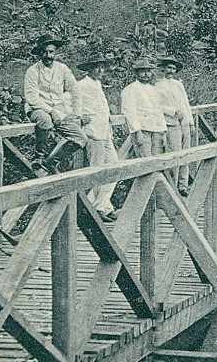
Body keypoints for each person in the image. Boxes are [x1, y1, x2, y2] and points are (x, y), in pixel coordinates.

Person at [23, 33, 88, 175]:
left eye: (51, 52)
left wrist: (77, 114)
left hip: (60, 111)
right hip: (38, 108)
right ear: (39, 53)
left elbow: (75, 90)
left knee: (80, 138)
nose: (48, 55)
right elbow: (31, 97)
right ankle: (38, 157)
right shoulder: (32, 71)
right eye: (44, 52)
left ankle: (52, 161)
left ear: (55, 53)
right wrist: (51, 111)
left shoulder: (62, 69)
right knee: (45, 120)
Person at [74, 52, 119, 222]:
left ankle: (98, 204)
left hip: (105, 132)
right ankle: (99, 208)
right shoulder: (81, 85)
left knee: (115, 166)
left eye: (101, 67)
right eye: (96, 67)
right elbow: (68, 102)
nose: (100, 70)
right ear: (88, 69)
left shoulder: (97, 84)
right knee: (98, 170)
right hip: (93, 133)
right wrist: (79, 117)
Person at [156, 56, 194, 197]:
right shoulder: (158, 85)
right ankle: (172, 186)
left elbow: (185, 103)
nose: (171, 71)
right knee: (175, 153)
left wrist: (191, 123)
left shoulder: (179, 84)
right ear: (164, 69)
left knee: (186, 153)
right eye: (168, 68)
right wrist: (172, 111)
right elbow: (157, 105)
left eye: (173, 68)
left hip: (184, 123)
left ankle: (183, 185)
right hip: (171, 122)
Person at [121, 57, 167, 159]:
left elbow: (158, 111)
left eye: (148, 71)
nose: (146, 74)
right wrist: (137, 131)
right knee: (145, 161)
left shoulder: (153, 89)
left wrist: (163, 131)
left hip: (156, 129)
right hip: (142, 130)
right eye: (142, 71)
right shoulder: (130, 89)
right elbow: (130, 112)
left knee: (158, 159)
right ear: (136, 73)